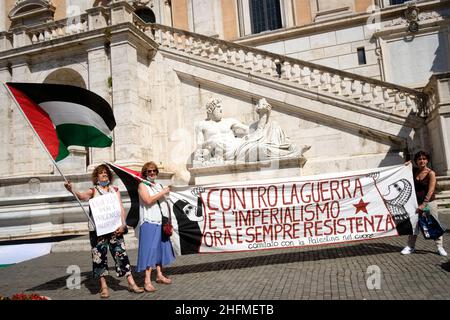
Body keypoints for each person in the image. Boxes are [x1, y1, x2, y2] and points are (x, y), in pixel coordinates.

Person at [64, 164, 144, 298]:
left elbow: (120, 208)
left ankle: (131, 283)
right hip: (98, 230)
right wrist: (72, 190)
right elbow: (82, 196)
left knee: (121, 255)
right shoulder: (93, 190)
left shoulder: (115, 190)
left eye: (106, 172)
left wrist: (123, 225)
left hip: (115, 229)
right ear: (97, 177)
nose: (104, 174)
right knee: (99, 257)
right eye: (101, 173)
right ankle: (104, 286)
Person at [136, 161, 176, 292]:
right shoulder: (142, 185)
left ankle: (159, 274)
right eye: (149, 171)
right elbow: (148, 200)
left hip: (161, 222)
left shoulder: (158, 185)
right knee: (149, 250)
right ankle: (147, 280)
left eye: (154, 171)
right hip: (149, 221)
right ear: (145, 173)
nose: (152, 173)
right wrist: (163, 192)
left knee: (160, 249)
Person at [401, 151, 447, 256]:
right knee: (413, 225)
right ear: (416, 161)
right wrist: (407, 165)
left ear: (427, 160)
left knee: (434, 223)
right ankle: (410, 246)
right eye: (419, 159)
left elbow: (431, 191)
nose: (422, 161)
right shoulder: (414, 171)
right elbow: (403, 172)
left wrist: (424, 204)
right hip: (415, 203)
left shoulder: (431, 173)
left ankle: (440, 247)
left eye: (424, 159)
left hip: (429, 202)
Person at [235, 98, 309, 162]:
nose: (264, 111)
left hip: (272, 146)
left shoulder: (273, 124)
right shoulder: (253, 126)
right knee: (261, 148)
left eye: (266, 108)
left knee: (267, 144)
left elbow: (284, 141)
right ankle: (293, 153)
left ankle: (292, 151)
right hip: (255, 148)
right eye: (262, 108)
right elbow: (253, 137)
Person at [194, 97, 248, 164]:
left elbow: (247, 130)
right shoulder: (202, 125)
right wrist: (212, 142)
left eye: (221, 107)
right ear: (210, 110)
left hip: (234, 146)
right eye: (218, 107)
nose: (221, 109)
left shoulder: (230, 121)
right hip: (217, 150)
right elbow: (199, 145)